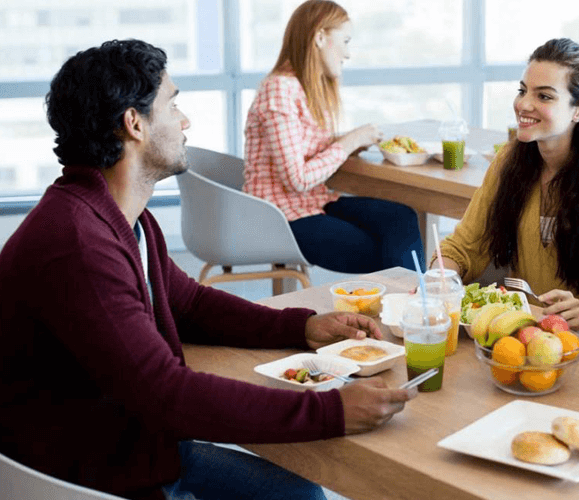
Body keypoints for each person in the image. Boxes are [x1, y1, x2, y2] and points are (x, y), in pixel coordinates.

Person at [0, 39, 416, 500]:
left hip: (131, 450)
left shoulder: (120, 218)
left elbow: (189, 303)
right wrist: (330, 411)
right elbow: (166, 394)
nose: (185, 121)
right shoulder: (79, 243)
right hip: (93, 478)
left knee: (302, 496)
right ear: (133, 124)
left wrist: (304, 327)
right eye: (172, 104)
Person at [435, 38, 579, 331]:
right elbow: (463, 247)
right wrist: (437, 279)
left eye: (544, 97)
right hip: (525, 332)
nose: (524, 104)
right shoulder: (509, 159)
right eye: (523, 91)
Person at [243, 0, 424, 273]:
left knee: (401, 218)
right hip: (282, 218)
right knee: (386, 253)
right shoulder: (279, 89)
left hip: (313, 203)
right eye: (346, 41)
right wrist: (347, 142)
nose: (348, 54)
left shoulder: (300, 89)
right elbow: (297, 178)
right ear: (319, 37)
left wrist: (350, 142)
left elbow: (300, 147)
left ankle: (409, 307)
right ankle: (410, 309)